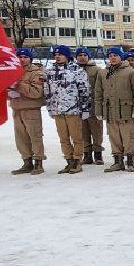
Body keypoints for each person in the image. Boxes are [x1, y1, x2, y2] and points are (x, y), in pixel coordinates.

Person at [43, 45, 92, 174]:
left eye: (61, 54)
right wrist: (49, 107)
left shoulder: (77, 70)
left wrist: (85, 108)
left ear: (67, 56)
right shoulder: (50, 71)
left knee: (76, 137)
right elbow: (47, 91)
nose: (57, 57)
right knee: (63, 138)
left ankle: (77, 161)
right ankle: (69, 161)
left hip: (73, 110)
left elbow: (84, 90)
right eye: (56, 55)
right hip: (57, 110)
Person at [101, 49, 134, 171]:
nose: (112, 58)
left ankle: (130, 161)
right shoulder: (104, 73)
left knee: (128, 136)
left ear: (121, 57)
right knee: (114, 137)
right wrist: (100, 111)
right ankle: (117, 161)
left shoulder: (130, 72)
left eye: (115, 55)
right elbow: (98, 92)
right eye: (110, 56)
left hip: (126, 111)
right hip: (110, 111)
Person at [9, 48, 47, 174]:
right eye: (19, 57)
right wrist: (9, 93)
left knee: (35, 136)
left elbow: (37, 92)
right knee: (21, 138)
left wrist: (18, 85)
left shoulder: (36, 73)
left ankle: (38, 162)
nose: (22, 59)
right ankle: (27, 161)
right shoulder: (12, 72)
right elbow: (3, 89)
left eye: (25, 57)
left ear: (30, 58)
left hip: (31, 109)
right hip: (17, 108)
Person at [74, 48, 106, 166]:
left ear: (89, 57)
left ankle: (98, 154)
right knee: (83, 131)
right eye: (79, 55)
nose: (82, 57)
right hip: (78, 106)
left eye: (84, 55)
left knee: (96, 130)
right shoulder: (73, 70)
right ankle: (87, 154)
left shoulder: (96, 70)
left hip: (93, 105)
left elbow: (101, 87)